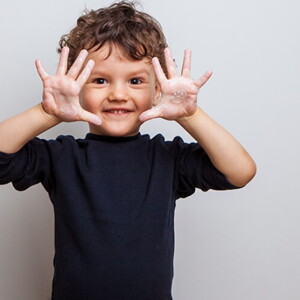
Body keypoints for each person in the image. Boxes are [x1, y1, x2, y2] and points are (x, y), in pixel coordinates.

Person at [0, 1, 256, 299]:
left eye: (135, 81)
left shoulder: (167, 158)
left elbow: (241, 172)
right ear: (77, 85)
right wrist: (48, 113)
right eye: (100, 80)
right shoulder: (61, 156)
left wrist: (189, 115)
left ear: (156, 90)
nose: (118, 94)